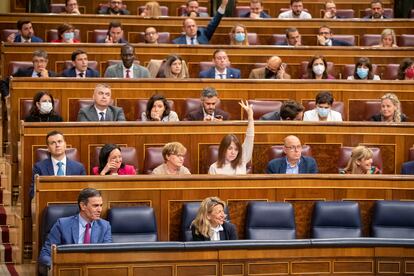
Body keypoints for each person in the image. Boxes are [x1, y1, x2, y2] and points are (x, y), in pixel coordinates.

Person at [38, 188, 112, 273]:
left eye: (101, 205)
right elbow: (46, 254)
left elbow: (107, 255)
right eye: (95, 206)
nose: (100, 210)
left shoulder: (105, 226)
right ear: (83, 206)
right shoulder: (62, 224)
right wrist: (57, 267)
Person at [30, 130, 86, 198]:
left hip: (72, 203)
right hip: (48, 203)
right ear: (48, 148)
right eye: (53, 143)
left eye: (60, 141)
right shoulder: (39, 167)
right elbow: (33, 193)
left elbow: (84, 193)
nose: (57, 145)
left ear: (65, 144)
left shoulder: (79, 168)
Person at [209, 100, 254, 175]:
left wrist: (250, 117)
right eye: (230, 148)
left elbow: (250, 137)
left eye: (236, 149)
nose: (233, 152)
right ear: (223, 149)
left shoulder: (243, 160)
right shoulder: (214, 168)